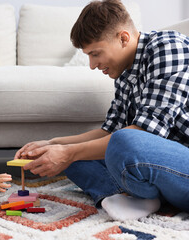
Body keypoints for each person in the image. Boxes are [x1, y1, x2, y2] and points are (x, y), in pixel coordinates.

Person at [15, 0, 189, 221]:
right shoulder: (124, 72)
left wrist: (68, 152)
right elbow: (108, 132)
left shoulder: (168, 47)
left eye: (95, 53)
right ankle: (123, 196)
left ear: (123, 38)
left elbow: (146, 134)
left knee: (122, 141)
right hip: (156, 167)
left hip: (182, 163)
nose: (91, 65)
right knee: (75, 153)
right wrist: (55, 144)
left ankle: (137, 196)